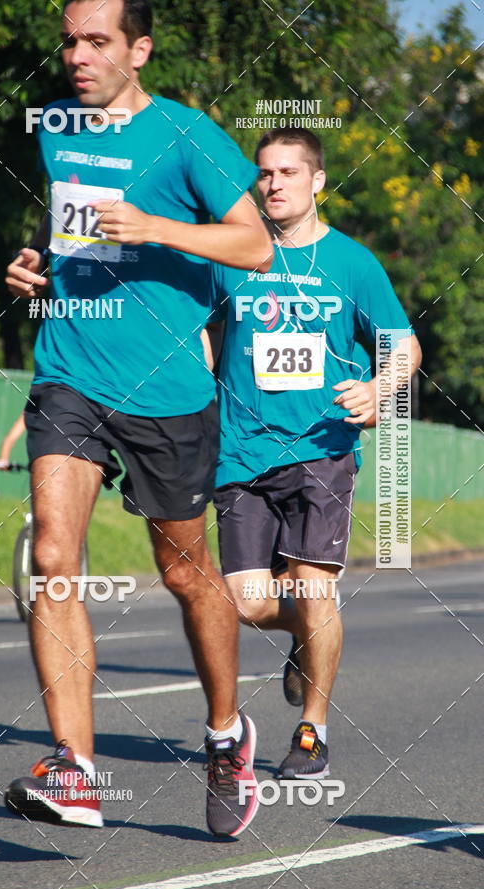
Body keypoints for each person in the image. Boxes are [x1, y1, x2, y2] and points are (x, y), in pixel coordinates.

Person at [3, 0, 273, 837]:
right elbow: (74, 229)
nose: (77, 57)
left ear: (139, 50)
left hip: (166, 394)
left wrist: (158, 227)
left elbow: (256, 244)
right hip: (70, 373)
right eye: (69, 42)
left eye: (97, 41)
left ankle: (227, 735)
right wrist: (36, 266)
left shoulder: (188, 136)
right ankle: (76, 770)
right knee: (52, 555)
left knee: (188, 577)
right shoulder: (54, 127)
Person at [209, 127, 421, 780]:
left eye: (287, 173)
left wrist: (380, 386)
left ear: (317, 181)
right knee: (242, 601)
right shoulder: (232, 257)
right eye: (264, 174)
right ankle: (307, 639)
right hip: (240, 453)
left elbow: (405, 347)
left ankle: (312, 731)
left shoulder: (352, 264)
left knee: (311, 586)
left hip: (322, 449)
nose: (272, 185)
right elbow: (207, 340)